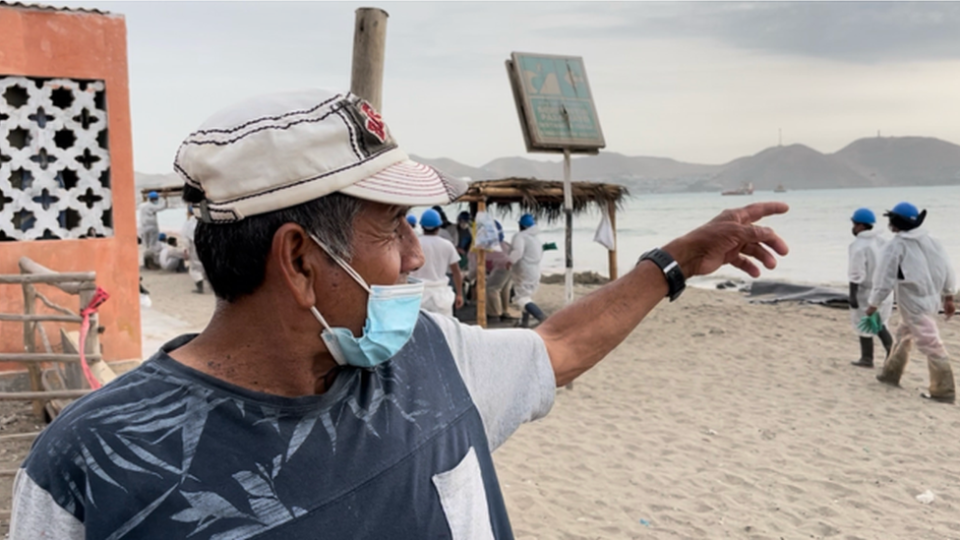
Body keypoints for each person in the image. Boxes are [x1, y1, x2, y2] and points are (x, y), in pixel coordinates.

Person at [10, 89, 789, 539]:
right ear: (299, 261)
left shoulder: (432, 359)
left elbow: (558, 346)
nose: (418, 257)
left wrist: (674, 262)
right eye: (392, 229)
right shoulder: (89, 464)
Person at [867, 202, 957, 403]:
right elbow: (948, 269)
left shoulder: (895, 246)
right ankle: (890, 374)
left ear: (895, 223)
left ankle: (944, 391)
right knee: (903, 334)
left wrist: (873, 304)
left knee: (931, 343)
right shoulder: (933, 241)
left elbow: (884, 278)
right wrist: (949, 296)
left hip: (913, 301)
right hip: (931, 298)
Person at [847, 208, 893, 367]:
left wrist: (852, 295)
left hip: (867, 291)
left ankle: (877, 356)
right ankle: (870, 357)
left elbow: (856, 273)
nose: (852, 227)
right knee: (879, 322)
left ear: (860, 225)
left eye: (853, 224)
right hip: (885, 290)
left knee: (869, 322)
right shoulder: (881, 241)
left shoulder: (858, 245)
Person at [411, 209, 464, 317]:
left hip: (417, 296)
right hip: (441, 296)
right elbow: (456, 272)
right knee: (444, 330)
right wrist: (459, 294)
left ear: (421, 226)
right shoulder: (447, 245)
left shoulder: (414, 244)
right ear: (439, 227)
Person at [509, 213, 548, 327]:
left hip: (524, 271)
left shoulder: (520, 236)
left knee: (521, 298)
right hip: (535, 271)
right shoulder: (535, 239)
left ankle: (541, 317)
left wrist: (509, 261)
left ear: (522, 226)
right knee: (526, 296)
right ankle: (524, 322)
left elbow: (518, 252)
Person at [486, 221, 515, 320]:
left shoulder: (493, 245)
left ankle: (495, 313)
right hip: (510, 266)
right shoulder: (504, 243)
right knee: (504, 289)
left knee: (492, 288)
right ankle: (504, 311)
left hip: (502, 266)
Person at [181, 208, 206, 294]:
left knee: (195, 268)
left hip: (194, 246)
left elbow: (185, 238)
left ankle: (200, 287)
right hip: (206, 245)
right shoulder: (204, 220)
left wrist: (186, 249)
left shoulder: (189, 223)